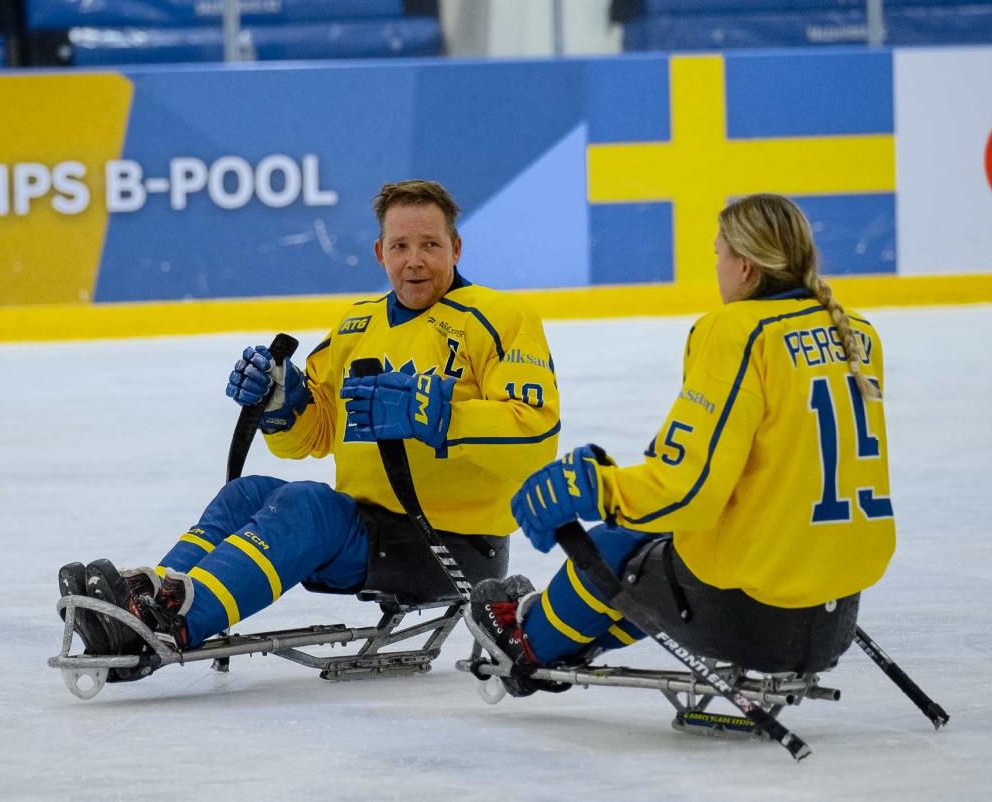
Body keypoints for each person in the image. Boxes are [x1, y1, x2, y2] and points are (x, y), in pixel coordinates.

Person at [59, 179, 560, 669]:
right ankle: (148, 598)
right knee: (248, 493)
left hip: (451, 543)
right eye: (400, 245)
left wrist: (429, 413)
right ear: (379, 253)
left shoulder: (500, 317)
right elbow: (315, 435)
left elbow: (535, 432)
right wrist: (283, 400)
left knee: (308, 506)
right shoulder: (357, 324)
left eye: (430, 244)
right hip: (368, 530)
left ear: (455, 247)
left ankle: (174, 623)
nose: (414, 260)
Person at [470, 193, 896, 696]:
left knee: (618, 543)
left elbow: (686, 489)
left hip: (754, 614)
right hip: (833, 612)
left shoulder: (738, 331)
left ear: (744, 265)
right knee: (665, 550)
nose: (716, 266)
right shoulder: (857, 333)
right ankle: (570, 636)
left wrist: (593, 488)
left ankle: (527, 644)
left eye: (718, 253)